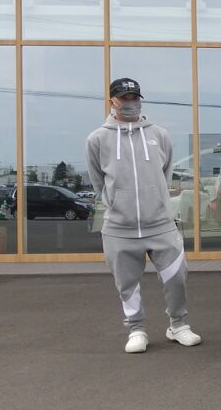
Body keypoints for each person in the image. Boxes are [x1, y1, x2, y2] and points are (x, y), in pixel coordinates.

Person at [86, 78, 201, 353]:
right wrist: (117, 202)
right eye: (124, 98)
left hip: (160, 224)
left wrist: (156, 200)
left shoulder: (158, 135)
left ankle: (178, 325)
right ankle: (136, 329)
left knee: (177, 276)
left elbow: (165, 173)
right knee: (127, 284)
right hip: (120, 228)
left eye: (134, 98)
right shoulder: (97, 139)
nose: (130, 103)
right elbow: (98, 181)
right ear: (112, 102)